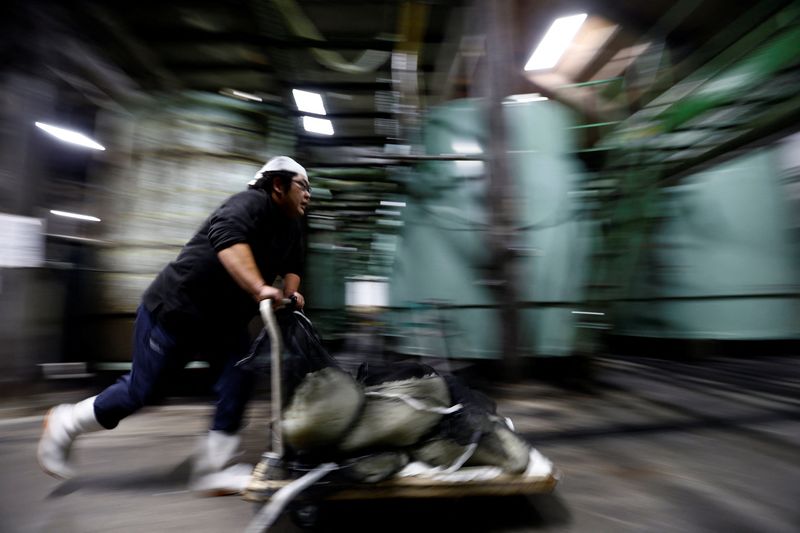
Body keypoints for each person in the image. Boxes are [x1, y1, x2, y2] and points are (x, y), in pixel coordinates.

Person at [37, 155, 312, 493]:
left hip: (222, 323)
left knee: (239, 376)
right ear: (277, 185)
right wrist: (259, 288)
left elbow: (293, 264)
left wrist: (290, 293)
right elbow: (226, 238)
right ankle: (65, 423)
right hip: (174, 313)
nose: (307, 194)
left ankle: (213, 469)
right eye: (302, 185)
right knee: (143, 392)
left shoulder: (291, 226)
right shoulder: (249, 204)